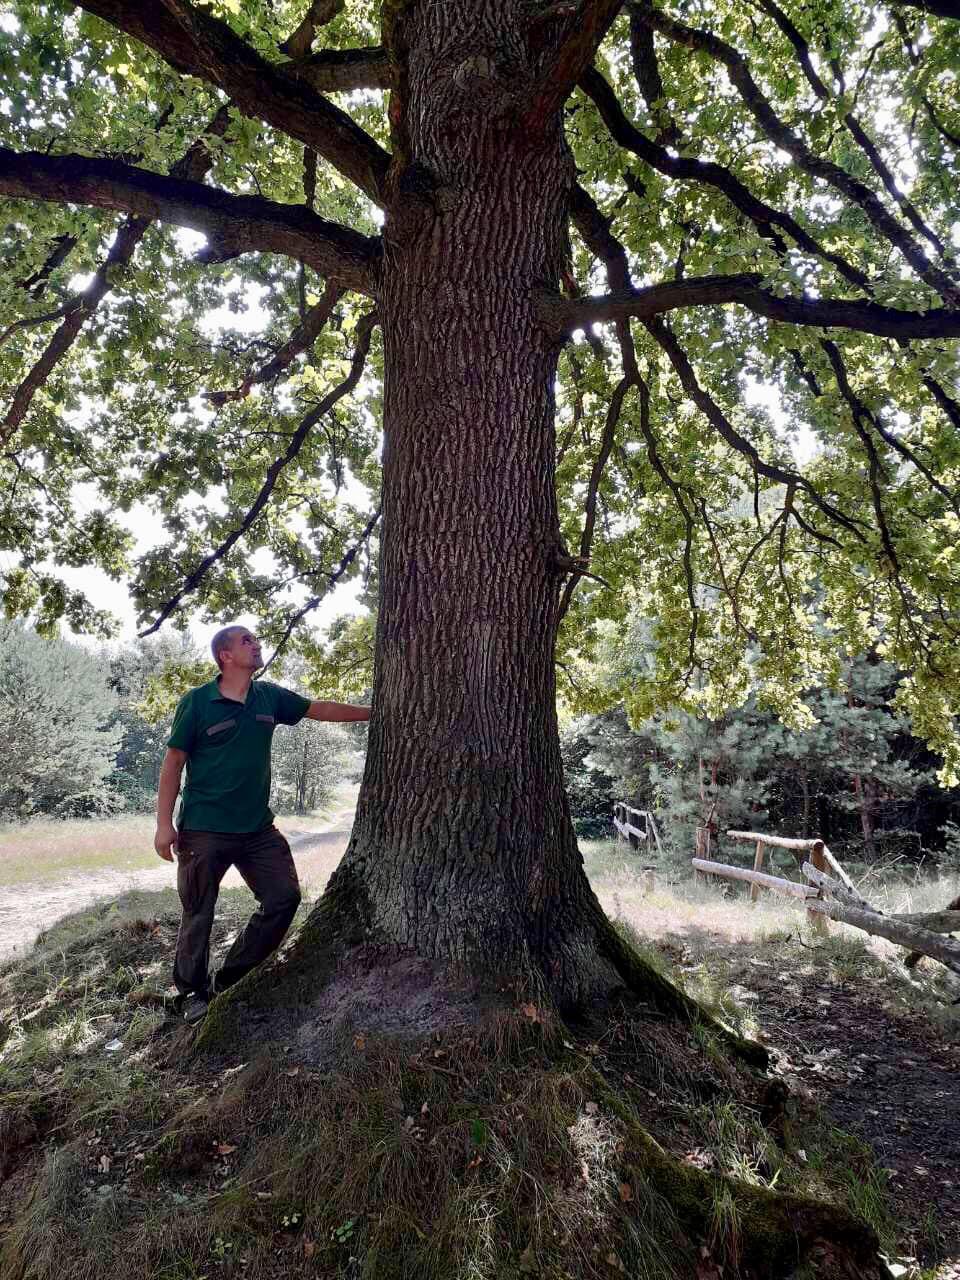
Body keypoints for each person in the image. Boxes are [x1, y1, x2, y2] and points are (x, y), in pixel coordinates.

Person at [154, 624, 370, 1024]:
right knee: (198, 912)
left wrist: (375, 712)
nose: (256, 645)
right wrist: (163, 825)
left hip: (257, 830)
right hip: (203, 830)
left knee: (284, 898)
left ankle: (227, 981)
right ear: (226, 656)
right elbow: (173, 763)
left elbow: (320, 709)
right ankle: (190, 993)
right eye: (247, 641)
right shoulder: (197, 702)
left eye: (256, 639)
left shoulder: (269, 696)